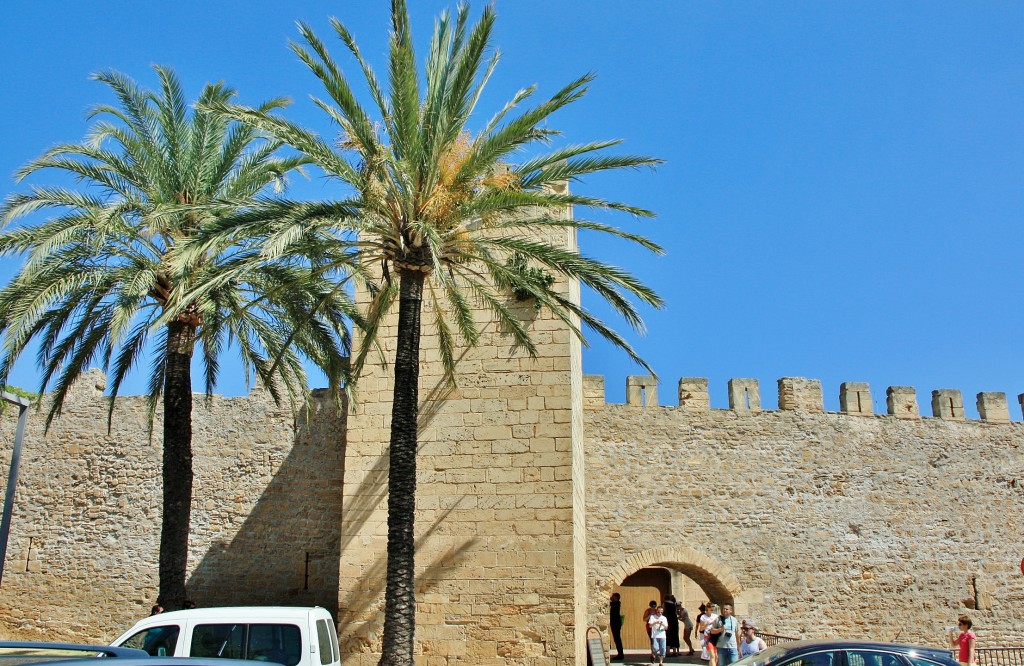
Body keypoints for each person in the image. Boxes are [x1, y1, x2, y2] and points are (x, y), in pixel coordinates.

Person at [609, 592, 625, 661]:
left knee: (617, 639)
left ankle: (620, 654)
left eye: (613, 596)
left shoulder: (616, 603)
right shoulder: (616, 603)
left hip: (616, 623)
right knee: (617, 639)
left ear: (616, 598)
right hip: (615, 623)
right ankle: (620, 654)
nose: (611, 597)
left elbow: (610, 602)